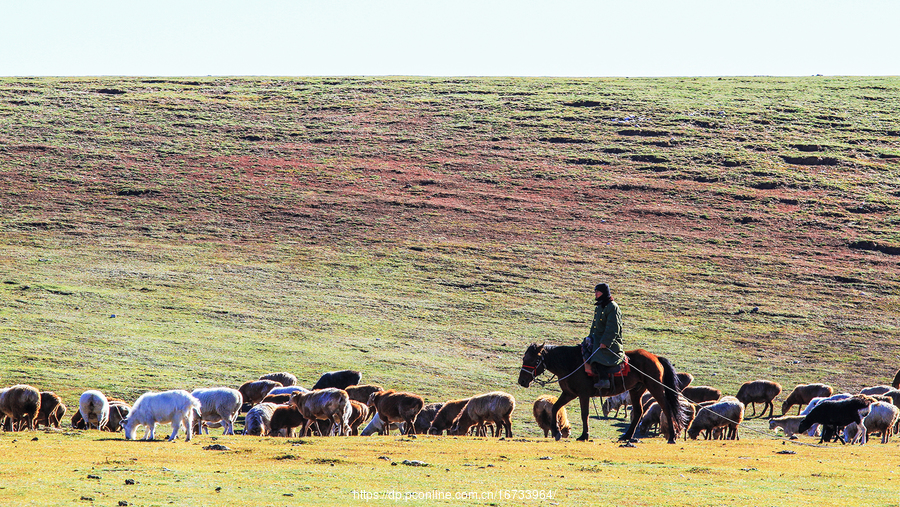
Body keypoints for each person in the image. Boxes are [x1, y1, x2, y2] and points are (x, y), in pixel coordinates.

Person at [584, 283, 624, 390]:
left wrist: (605, 342)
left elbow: (613, 327)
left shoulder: (612, 307)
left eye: (598, 291)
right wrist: (589, 338)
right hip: (597, 339)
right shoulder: (599, 307)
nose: (596, 294)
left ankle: (604, 380)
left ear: (604, 293)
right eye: (595, 292)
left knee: (598, 356)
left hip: (610, 343)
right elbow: (594, 327)